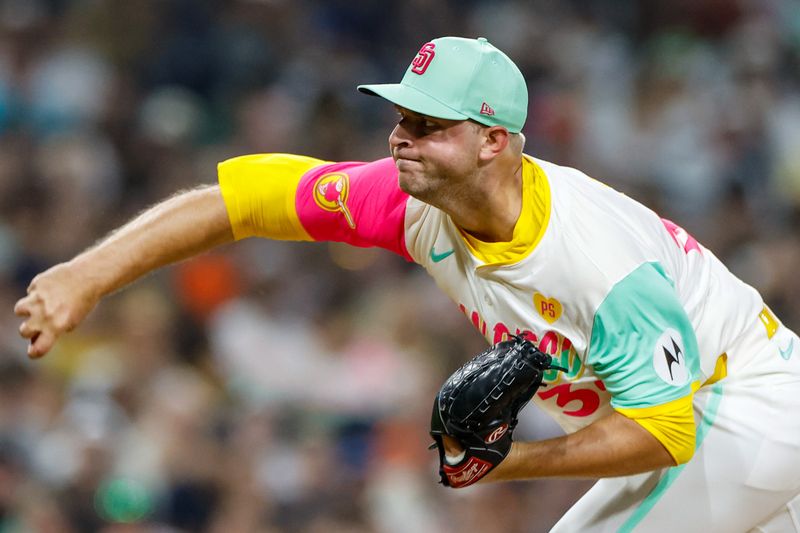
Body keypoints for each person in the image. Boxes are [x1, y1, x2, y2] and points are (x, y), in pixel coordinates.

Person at [14, 36, 800, 532]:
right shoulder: (406, 200)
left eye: (428, 124)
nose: (400, 137)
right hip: (716, 426)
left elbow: (667, 433)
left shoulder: (596, 259)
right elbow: (242, 200)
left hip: (746, 406)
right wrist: (87, 273)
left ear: (495, 140)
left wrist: (509, 462)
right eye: (400, 116)